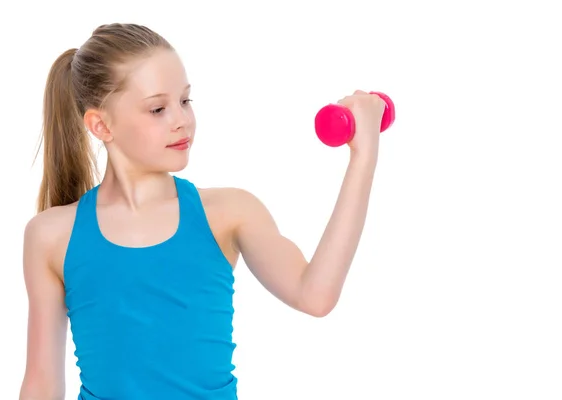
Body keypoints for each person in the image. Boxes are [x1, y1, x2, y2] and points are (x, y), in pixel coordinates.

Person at [19, 23, 387, 400]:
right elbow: (42, 384)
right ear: (101, 124)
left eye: (185, 100)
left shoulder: (229, 213)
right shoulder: (51, 235)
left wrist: (364, 156)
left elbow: (315, 295)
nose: (181, 120)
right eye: (158, 108)